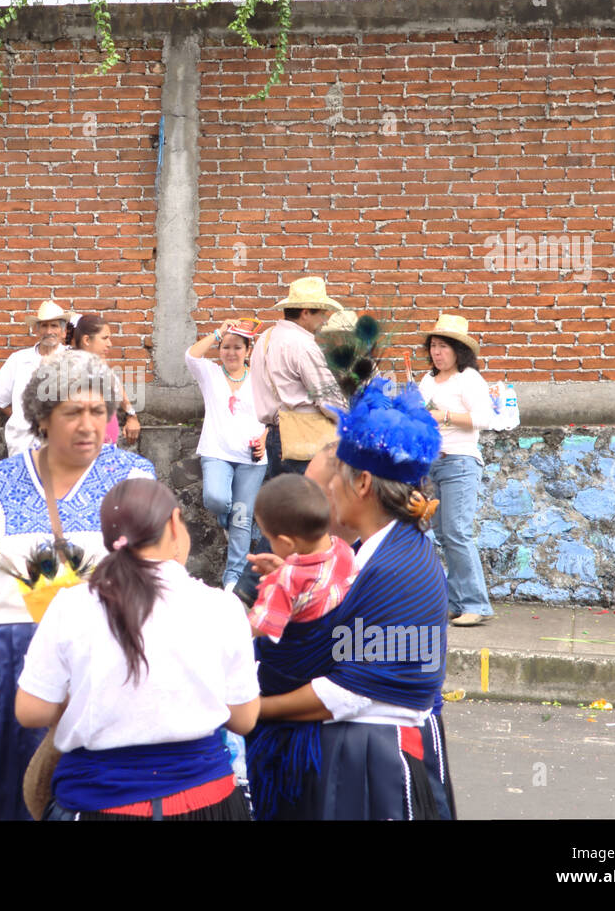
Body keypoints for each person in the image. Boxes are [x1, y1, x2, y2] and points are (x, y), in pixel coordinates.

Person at [0, 349, 156, 820]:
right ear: (43, 419)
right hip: (1, 675)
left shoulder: (133, 480)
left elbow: (156, 583)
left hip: (97, 672)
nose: (88, 425)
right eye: (72, 413)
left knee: (84, 802)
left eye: (97, 411)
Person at [245, 380, 454, 820]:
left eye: (331, 483)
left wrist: (250, 710)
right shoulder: (371, 550)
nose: (325, 498)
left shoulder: (400, 568)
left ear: (361, 482)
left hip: (370, 761)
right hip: (352, 747)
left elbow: (348, 691)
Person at [15, 478, 260, 820]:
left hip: (99, 803)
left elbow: (31, 710)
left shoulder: (70, 606)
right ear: (175, 523)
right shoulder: (221, 607)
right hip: (206, 804)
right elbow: (244, 719)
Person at [418, 313, 497, 627]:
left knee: (457, 533)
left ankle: (476, 604)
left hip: (460, 462)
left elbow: (484, 419)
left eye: (443, 347)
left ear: (458, 351)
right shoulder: (426, 381)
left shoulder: (469, 379)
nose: (437, 353)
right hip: (431, 463)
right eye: (434, 347)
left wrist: (442, 415)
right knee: (442, 535)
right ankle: (456, 603)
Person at [184, 318, 267, 593]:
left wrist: (265, 439)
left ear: (248, 350)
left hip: (252, 459)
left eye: (237, 348)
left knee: (242, 519)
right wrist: (219, 332)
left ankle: (233, 580)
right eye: (226, 347)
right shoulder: (210, 374)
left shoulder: (260, 378)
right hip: (216, 452)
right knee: (217, 499)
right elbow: (191, 355)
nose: (231, 353)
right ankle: (228, 519)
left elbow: (275, 413)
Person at [249, 276, 347, 479]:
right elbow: (329, 401)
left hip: (275, 436)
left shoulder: (265, 339)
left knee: (287, 505)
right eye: (321, 313)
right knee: (315, 504)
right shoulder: (303, 344)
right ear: (305, 313)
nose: (324, 320)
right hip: (307, 437)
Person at [246, 474, 356, 643]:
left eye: (268, 537)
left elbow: (261, 625)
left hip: (292, 658)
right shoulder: (345, 550)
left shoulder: (286, 581)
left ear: (286, 543)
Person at [0, 300, 69, 457]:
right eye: (44, 326)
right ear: (37, 331)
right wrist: (21, 420)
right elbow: (0, 398)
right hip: (22, 444)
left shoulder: (73, 360)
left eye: (54, 326)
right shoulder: (18, 359)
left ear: (63, 332)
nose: (49, 331)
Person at [66, 313, 141, 447]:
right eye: (104, 338)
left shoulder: (98, 363)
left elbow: (116, 387)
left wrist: (131, 415)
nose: (110, 344)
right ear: (87, 340)